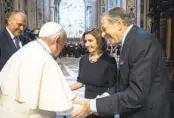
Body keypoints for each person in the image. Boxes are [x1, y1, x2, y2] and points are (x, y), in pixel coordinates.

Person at [71, 7, 174, 118]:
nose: (103, 35)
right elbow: (124, 82)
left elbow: (136, 94)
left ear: (118, 24)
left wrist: (93, 105)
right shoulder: (131, 40)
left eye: (105, 29)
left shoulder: (141, 41)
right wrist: (105, 96)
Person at [0, 22, 80, 118]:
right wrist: (89, 107)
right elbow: (60, 103)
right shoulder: (45, 59)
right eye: (62, 44)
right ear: (57, 40)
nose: (62, 47)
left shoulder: (27, 48)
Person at [70, 28, 117, 118]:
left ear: (99, 41)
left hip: (104, 106)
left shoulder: (109, 60)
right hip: (88, 105)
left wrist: (100, 99)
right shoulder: (83, 59)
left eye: (90, 41)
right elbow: (80, 82)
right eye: (85, 41)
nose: (87, 44)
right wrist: (65, 90)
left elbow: (113, 87)